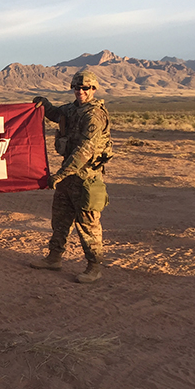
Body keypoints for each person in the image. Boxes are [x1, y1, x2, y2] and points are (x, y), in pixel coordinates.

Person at [29, 70, 114, 283]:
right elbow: (57, 114)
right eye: (77, 87)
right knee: (60, 219)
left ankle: (94, 266)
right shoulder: (72, 109)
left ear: (93, 89)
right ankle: (54, 258)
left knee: (88, 225)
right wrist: (44, 104)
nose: (81, 91)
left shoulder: (93, 114)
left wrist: (61, 173)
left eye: (85, 88)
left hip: (86, 179)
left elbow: (85, 150)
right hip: (68, 179)